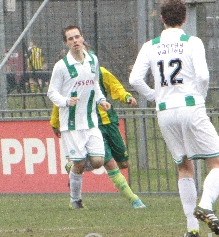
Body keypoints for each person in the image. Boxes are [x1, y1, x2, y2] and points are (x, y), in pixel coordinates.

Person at [129, 0, 219, 237]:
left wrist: (154, 95)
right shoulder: (191, 42)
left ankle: (191, 228)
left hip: (164, 111)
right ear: (184, 18)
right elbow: (203, 77)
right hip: (190, 106)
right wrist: (200, 97)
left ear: (162, 19)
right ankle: (205, 205)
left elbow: (134, 79)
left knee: (184, 167)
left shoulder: (150, 45)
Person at [50, 63, 146, 209]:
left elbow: (115, 87)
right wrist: (55, 122)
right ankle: (134, 200)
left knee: (124, 164)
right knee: (109, 163)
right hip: (92, 125)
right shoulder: (70, 76)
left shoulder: (100, 72)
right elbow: (58, 101)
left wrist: (126, 96)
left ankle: (74, 166)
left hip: (110, 122)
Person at [47, 25, 111, 209]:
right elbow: (52, 92)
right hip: (72, 123)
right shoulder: (61, 66)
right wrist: (66, 101)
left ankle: (73, 169)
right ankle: (75, 200)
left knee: (98, 161)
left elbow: (95, 84)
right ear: (66, 43)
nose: (75, 41)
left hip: (91, 121)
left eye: (77, 37)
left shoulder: (93, 60)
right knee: (80, 162)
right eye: (70, 39)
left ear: (82, 38)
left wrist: (102, 100)